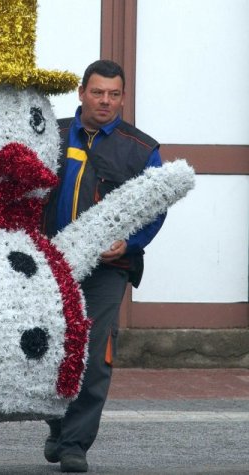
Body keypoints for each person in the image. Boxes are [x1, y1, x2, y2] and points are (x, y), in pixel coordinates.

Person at [42, 59, 165, 473]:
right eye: (98, 92)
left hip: (107, 269)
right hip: (49, 265)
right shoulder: (50, 134)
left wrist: (127, 243)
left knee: (94, 356)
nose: (105, 101)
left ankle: (76, 444)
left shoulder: (142, 149)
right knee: (51, 352)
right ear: (81, 93)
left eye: (114, 94)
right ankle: (58, 427)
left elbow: (154, 210)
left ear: (123, 98)